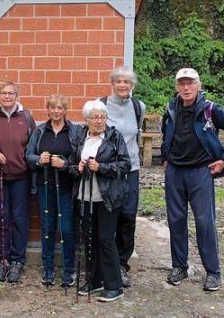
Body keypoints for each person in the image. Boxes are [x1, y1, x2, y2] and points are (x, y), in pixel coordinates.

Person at [161, 68, 224, 292]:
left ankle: (213, 272)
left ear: (199, 85)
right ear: (177, 87)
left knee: (204, 222)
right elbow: (166, 133)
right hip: (175, 172)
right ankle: (180, 267)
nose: (186, 88)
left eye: (190, 83)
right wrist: (166, 157)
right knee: (176, 220)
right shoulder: (170, 108)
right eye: (182, 84)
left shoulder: (210, 109)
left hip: (201, 172)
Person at [73, 100, 131, 302]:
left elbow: (125, 165)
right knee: (91, 239)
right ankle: (96, 279)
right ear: (86, 119)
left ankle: (114, 285)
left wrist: (102, 167)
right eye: (95, 117)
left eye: (102, 117)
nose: (99, 121)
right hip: (86, 195)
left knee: (106, 239)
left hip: (108, 197)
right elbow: (72, 163)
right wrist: (78, 167)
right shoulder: (81, 136)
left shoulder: (115, 137)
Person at [26, 94, 81, 287]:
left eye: (60, 108)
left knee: (66, 229)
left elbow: (79, 159)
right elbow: (29, 156)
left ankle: (68, 270)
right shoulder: (40, 130)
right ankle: (47, 269)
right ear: (47, 110)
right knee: (47, 228)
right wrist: (39, 160)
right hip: (45, 185)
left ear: (65, 110)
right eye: (53, 108)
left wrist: (65, 164)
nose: (56, 111)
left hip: (66, 188)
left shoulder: (74, 131)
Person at [0, 82, 35, 283]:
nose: (7, 96)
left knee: (19, 218)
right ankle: (2, 260)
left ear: (17, 95)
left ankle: (17, 261)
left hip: (21, 176)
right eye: (3, 93)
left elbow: (32, 146)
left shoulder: (26, 117)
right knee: (1, 217)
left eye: (11, 93)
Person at [99, 67, 145, 287]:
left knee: (128, 216)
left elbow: (136, 136)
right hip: (107, 169)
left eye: (127, 82)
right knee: (109, 217)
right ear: (112, 83)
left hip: (130, 169)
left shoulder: (138, 107)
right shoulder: (101, 105)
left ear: (132, 85)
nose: (123, 85)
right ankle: (104, 263)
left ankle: (121, 264)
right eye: (119, 81)